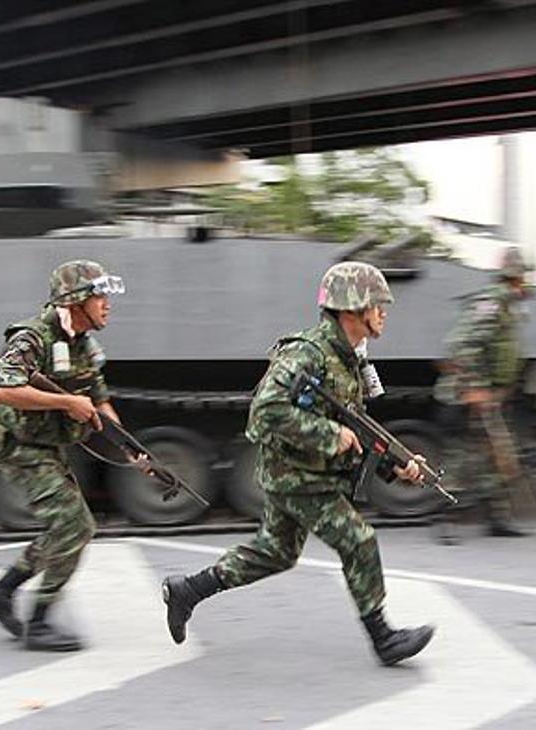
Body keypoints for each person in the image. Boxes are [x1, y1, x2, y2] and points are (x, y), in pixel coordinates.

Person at [161, 261, 435, 667]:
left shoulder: (352, 358)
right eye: (377, 304)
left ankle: (186, 591)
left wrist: (395, 465)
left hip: (307, 473)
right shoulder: (307, 353)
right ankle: (384, 639)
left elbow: (355, 428)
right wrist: (329, 435)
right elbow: (264, 413)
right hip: (298, 477)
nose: (383, 312)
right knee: (358, 541)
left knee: (275, 553)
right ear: (352, 308)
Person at [0, 260, 125, 652]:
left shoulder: (83, 345)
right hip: (16, 444)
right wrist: (65, 401)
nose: (108, 304)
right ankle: (38, 623)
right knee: (75, 527)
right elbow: (1, 391)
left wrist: (132, 451)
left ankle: (1, 593)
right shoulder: (32, 337)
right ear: (75, 299)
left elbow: (100, 402)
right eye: (99, 296)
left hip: (44, 444)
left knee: (67, 527)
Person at [433, 247, 533, 542]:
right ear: (516, 277)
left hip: (490, 394)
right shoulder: (490, 304)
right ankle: (445, 520)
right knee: (460, 458)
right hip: (468, 395)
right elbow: (461, 345)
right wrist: (474, 389)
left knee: (497, 456)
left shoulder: (506, 305)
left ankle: (498, 520)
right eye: (522, 278)